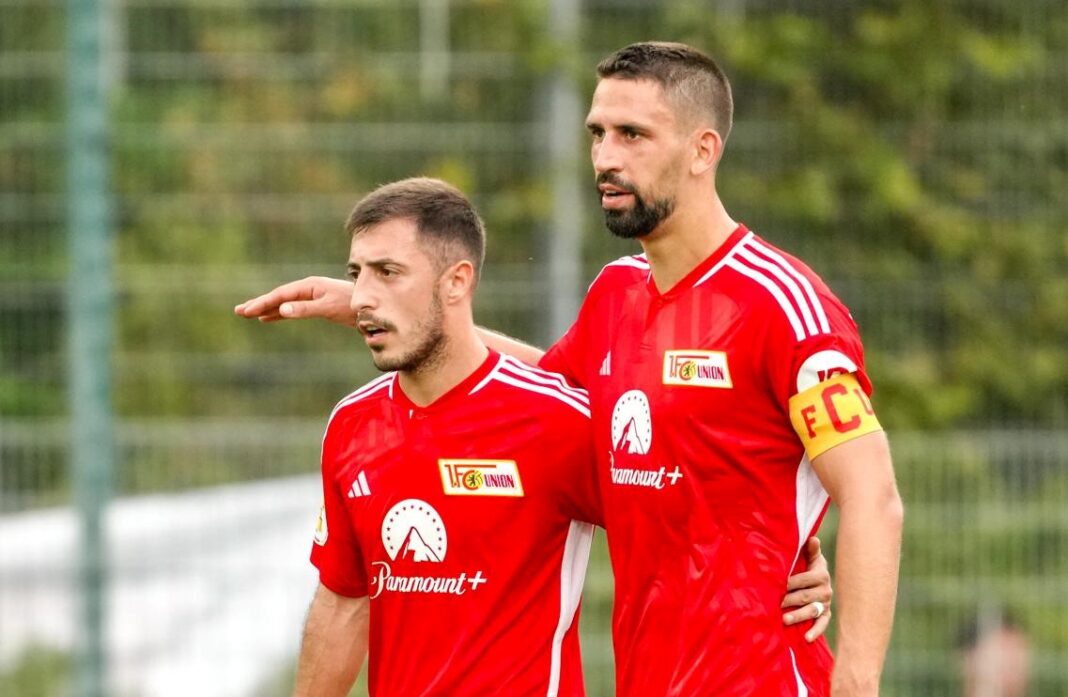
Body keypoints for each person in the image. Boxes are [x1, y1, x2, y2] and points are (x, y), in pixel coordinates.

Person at [238, 42, 893, 696]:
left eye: (633, 134)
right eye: (598, 134)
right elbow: (537, 383)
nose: (606, 158)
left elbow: (873, 497)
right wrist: (379, 309)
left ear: (703, 150)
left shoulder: (782, 307)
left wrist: (854, 679)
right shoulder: (616, 294)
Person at [293, 177, 603, 696]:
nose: (362, 298)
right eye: (356, 274)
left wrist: (791, 559)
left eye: (388, 273)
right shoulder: (352, 424)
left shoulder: (557, 419)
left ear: (457, 281)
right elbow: (344, 601)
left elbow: (684, 522)